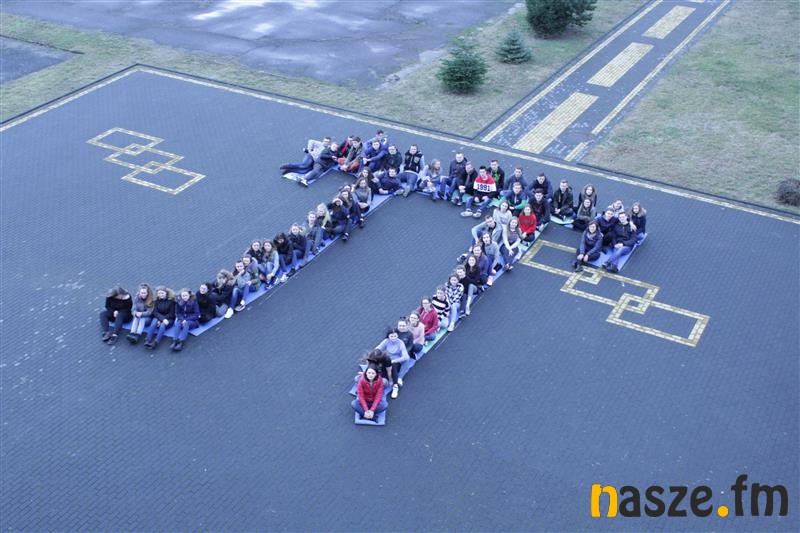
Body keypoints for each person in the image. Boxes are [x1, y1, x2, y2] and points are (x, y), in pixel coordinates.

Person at [376, 328, 409, 398]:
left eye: (395, 336)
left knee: (393, 366)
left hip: (396, 362)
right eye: (391, 336)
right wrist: (376, 353)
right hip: (386, 360)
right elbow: (378, 348)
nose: (393, 338)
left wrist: (394, 361)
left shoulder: (400, 343)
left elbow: (406, 356)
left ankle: (395, 386)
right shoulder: (386, 341)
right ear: (388, 336)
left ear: (397, 335)